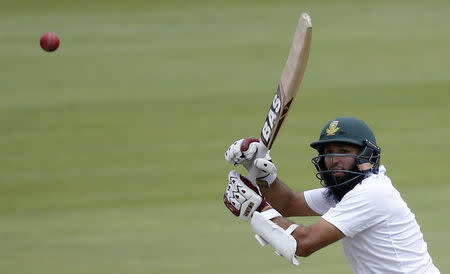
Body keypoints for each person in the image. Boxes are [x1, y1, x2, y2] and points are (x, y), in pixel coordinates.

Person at [223, 116, 440, 273]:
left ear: (366, 156)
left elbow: (304, 243)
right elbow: (288, 204)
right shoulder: (346, 190)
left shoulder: (372, 193)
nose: (333, 159)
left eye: (343, 152)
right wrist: (262, 174)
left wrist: (259, 208)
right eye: (328, 153)